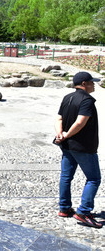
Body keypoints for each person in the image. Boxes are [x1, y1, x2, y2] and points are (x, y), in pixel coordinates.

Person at [54, 71, 102, 228]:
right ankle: (84, 212)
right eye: (91, 82)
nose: (93, 84)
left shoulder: (67, 97)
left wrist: (60, 134)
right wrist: (67, 134)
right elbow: (81, 122)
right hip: (82, 146)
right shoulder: (87, 100)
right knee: (94, 178)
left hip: (67, 145)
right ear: (84, 84)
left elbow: (59, 118)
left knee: (66, 176)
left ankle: (64, 208)